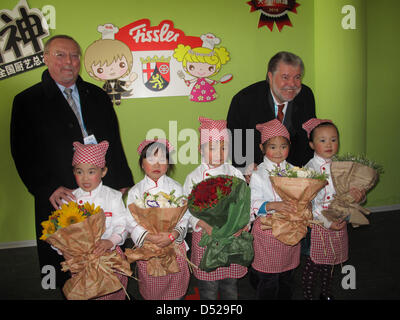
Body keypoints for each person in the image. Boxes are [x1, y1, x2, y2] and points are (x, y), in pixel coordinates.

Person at [10, 35, 134, 288]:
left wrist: (122, 180)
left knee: (108, 250)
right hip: (61, 191)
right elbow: (22, 152)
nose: (69, 61)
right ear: (45, 58)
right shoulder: (27, 101)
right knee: (66, 264)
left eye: (74, 55)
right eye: (60, 55)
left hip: (103, 184)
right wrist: (46, 188)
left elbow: (114, 142)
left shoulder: (98, 95)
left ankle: (111, 290)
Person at [183, 117, 248, 300]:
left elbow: (245, 203)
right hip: (206, 236)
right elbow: (188, 209)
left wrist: (244, 224)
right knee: (208, 288)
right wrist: (204, 224)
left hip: (232, 238)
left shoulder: (234, 172)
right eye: (211, 148)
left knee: (230, 285)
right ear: (200, 150)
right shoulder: (194, 177)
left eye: (223, 148)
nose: (219, 153)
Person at [227, 51, 316, 182]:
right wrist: (246, 168)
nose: (292, 84)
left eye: (297, 77)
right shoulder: (244, 100)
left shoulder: (305, 96)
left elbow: (308, 139)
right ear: (270, 76)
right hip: (255, 176)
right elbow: (236, 141)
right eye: (285, 77)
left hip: (293, 177)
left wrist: (301, 174)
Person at [301, 118, 364, 300]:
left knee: (332, 261)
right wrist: (328, 222)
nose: (329, 144)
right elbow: (310, 203)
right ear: (312, 144)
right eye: (322, 140)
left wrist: (358, 195)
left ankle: (326, 293)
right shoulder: (310, 169)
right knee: (314, 262)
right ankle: (308, 294)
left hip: (339, 220)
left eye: (334, 139)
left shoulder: (341, 165)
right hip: (320, 223)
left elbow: (350, 190)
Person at [59, 140, 128, 300]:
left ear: (103, 171)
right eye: (79, 172)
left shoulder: (113, 196)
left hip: (109, 255)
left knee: (114, 292)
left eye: (91, 172)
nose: (85, 178)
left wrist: (110, 241)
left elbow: (122, 224)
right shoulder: (69, 200)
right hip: (80, 261)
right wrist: (65, 251)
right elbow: (61, 233)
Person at [125, 139, 190, 300]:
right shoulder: (135, 192)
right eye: (150, 159)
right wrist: (148, 236)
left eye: (162, 160)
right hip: (149, 247)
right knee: (152, 289)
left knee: (176, 288)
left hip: (174, 246)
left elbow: (185, 215)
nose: (156, 165)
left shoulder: (177, 187)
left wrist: (174, 234)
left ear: (168, 164)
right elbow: (130, 219)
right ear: (141, 164)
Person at [248, 119, 300, 300]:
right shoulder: (258, 174)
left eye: (283, 146)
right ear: (262, 148)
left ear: (289, 147)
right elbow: (253, 203)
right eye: (273, 147)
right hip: (267, 233)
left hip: (291, 231)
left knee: (287, 276)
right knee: (267, 279)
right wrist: (272, 205)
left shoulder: (295, 171)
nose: (278, 152)